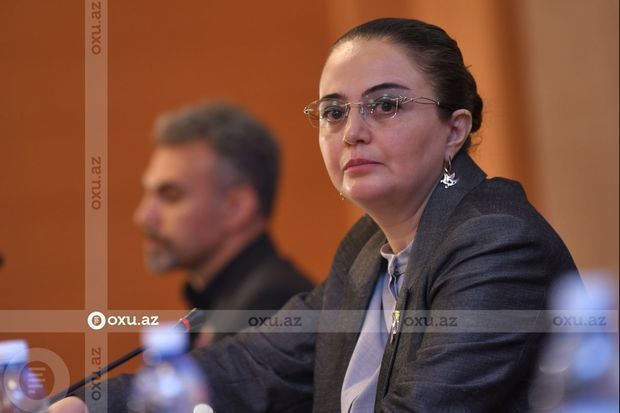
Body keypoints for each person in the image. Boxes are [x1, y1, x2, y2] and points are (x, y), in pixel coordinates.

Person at [51, 17, 579, 412]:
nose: (352, 132)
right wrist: (85, 405)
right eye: (333, 111)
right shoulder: (365, 249)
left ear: (455, 130)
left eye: (385, 105)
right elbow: (252, 366)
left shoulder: (495, 243)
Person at [132, 102, 313, 343]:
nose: (143, 216)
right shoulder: (219, 304)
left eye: (171, 196)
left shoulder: (272, 306)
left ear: (236, 208)